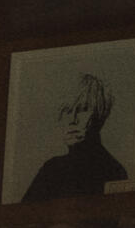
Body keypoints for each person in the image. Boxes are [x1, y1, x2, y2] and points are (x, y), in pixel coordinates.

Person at [21, 73, 127, 201]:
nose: (72, 119)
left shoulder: (113, 172)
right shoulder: (52, 168)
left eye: (83, 109)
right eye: (67, 111)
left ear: (100, 114)